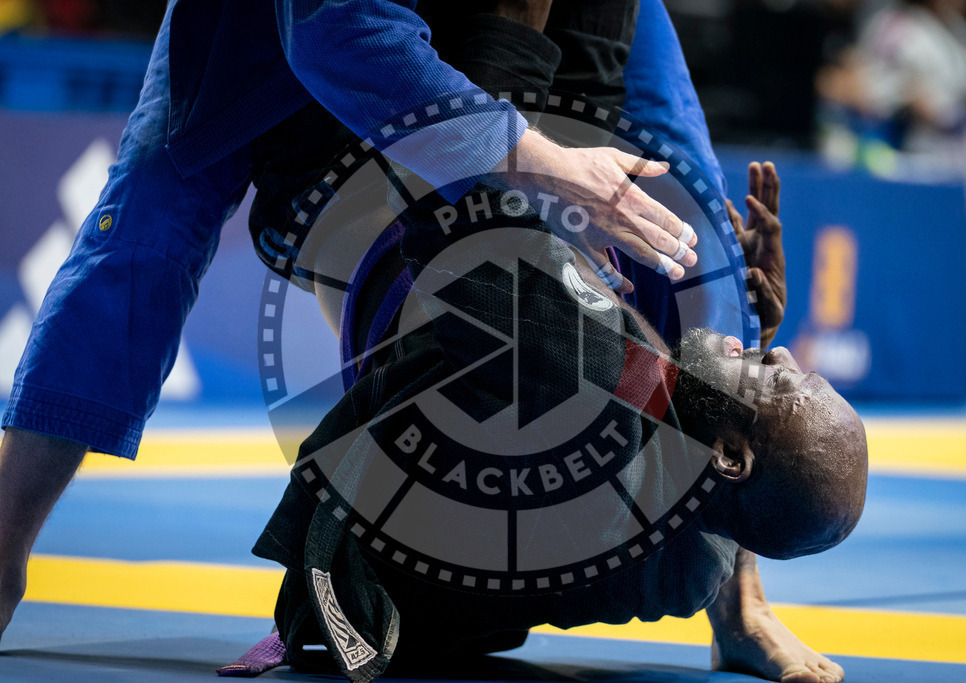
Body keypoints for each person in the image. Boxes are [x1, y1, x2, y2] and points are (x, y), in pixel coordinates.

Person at [0, 0, 707, 643]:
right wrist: (537, 163)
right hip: (306, 47)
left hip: (473, 89)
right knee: (153, 211)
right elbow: (341, 33)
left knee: (642, 224)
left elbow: (665, 142)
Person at [225, 148, 865, 682]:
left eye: (782, 380)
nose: (783, 354)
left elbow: (442, 163)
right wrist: (746, 334)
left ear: (727, 456)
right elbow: (731, 485)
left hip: (325, 188)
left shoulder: (582, 396)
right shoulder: (692, 568)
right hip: (425, 607)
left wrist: (554, 168)